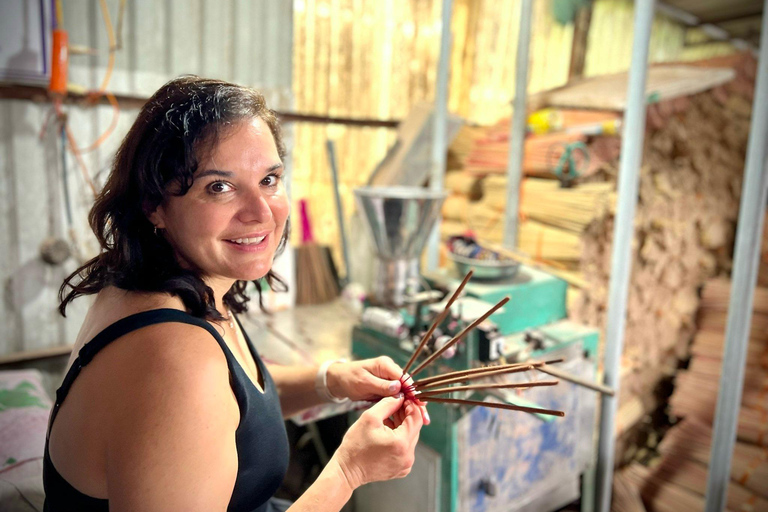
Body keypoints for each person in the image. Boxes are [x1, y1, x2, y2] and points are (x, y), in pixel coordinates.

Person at [44, 76, 427, 512]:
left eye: (269, 179)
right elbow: (194, 392)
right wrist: (349, 471)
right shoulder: (174, 359)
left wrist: (330, 381)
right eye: (219, 187)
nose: (260, 212)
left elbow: (231, 400)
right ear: (154, 205)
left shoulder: (167, 286)